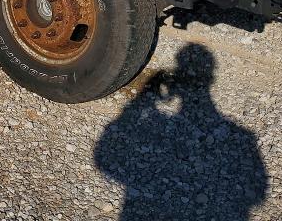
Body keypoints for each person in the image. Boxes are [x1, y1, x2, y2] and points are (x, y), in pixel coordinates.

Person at [94, 43, 268, 220]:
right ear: (211, 78)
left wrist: (140, 104)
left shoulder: (243, 138)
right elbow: (259, 193)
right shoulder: (244, 138)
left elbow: (103, 157)